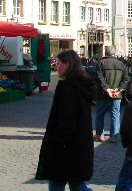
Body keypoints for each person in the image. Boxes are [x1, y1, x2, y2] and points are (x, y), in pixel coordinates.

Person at [36, 50, 95, 191]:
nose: (56, 67)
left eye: (58, 64)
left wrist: (55, 142)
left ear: (67, 65)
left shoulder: (69, 89)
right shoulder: (82, 86)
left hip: (66, 148)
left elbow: (67, 121)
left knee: (59, 182)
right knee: (76, 184)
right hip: (78, 145)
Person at [94, 46, 129, 143]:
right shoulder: (121, 64)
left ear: (106, 53)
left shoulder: (101, 63)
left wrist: (107, 89)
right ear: (114, 54)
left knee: (100, 114)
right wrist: (119, 90)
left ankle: (100, 134)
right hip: (116, 94)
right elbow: (126, 79)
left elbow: (99, 78)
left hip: (103, 93)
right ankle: (114, 136)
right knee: (115, 114)